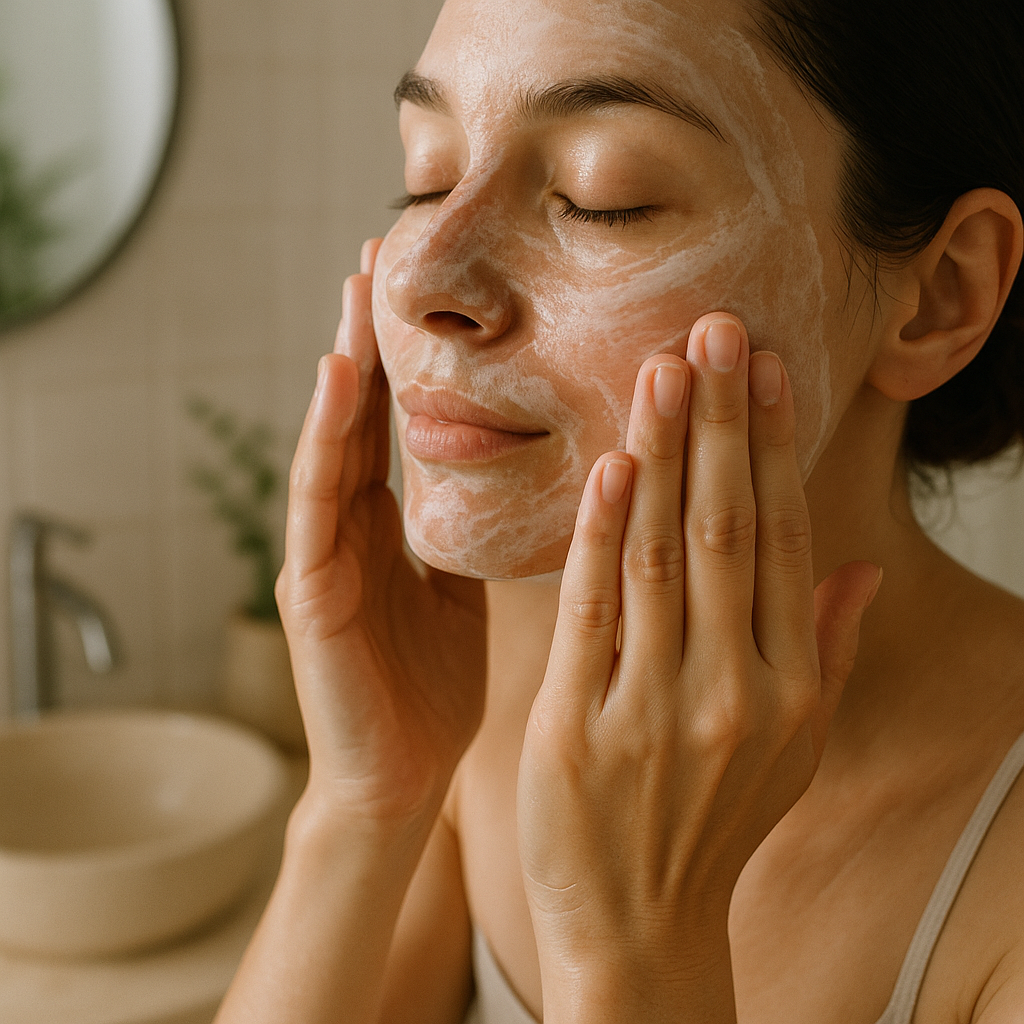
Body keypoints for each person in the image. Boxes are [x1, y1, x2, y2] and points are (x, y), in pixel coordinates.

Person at [215, 0, 1024, 1020]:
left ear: (941, 293)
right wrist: (363, 805)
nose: (419, 274)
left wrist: (641, 944)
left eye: (603, 197)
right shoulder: (494, 663)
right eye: (424, 176)